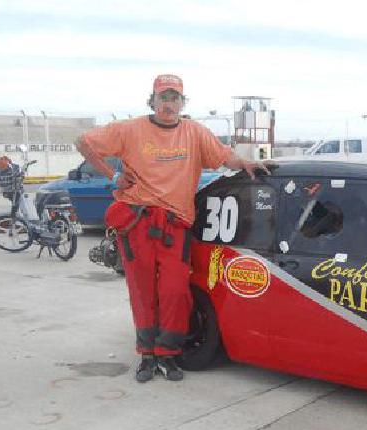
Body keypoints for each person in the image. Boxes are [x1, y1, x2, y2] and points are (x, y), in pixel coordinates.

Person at [75, 74, 269, 383]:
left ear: (182, 102)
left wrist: (247, 162)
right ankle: (147, 355)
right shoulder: (130, 129)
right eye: (163, 98)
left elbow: (225, 157)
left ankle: (168, 355)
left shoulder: (194, 133)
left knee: (175, 292)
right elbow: (83, 142)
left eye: (174, 98)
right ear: (152, 100)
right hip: (138, 222)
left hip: (175, 225)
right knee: (142, 292)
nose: (169, 103)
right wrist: (113, 176)